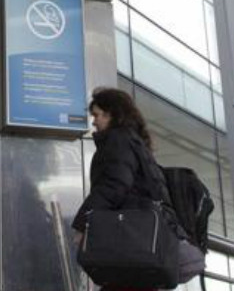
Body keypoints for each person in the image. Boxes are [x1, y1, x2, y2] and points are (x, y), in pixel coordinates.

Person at [71, 87, 193, 291]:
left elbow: (114, 186)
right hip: (140, 244)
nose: (94, 122)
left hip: (126, 238)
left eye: (97, 115)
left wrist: (83, 223)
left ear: (113, 115)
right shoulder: (136, 143)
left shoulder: (117, 140)